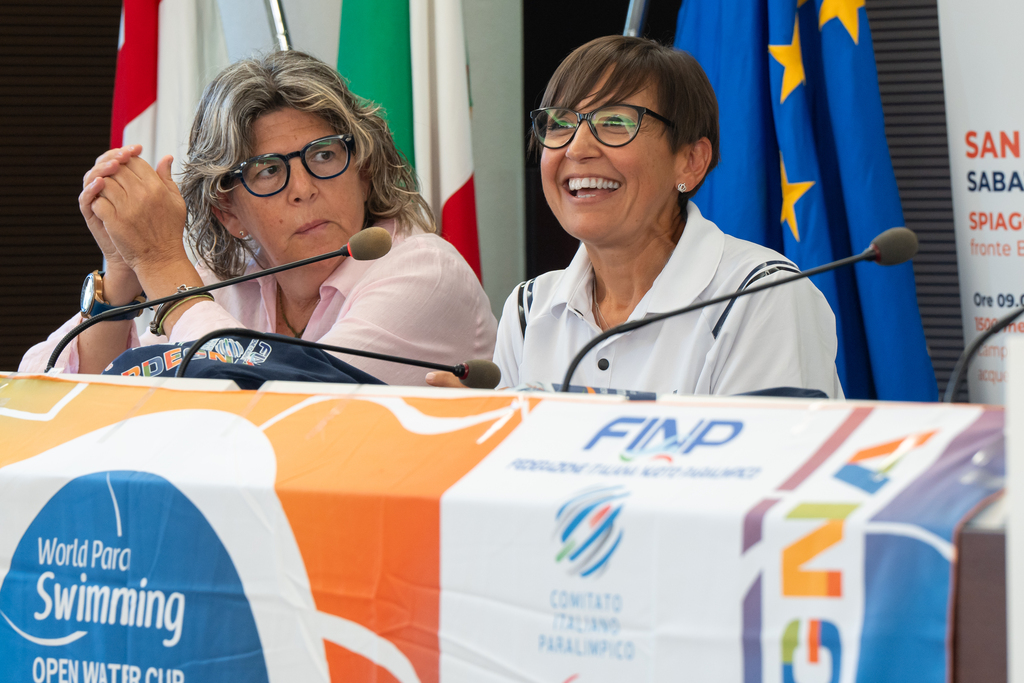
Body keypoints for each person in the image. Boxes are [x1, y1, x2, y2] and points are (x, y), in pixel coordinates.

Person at [20, 51, 496, 386]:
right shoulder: (228, 281)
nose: (304, 188)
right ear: (228, 212)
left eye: (324, 155)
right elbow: (43, 394)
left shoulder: (424, 272)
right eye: (268, 170)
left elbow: (290, 408)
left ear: (365, 170)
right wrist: (124, 270)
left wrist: (162, 263)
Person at [429, 35, 841, 397]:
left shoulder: (761, 296)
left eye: (614, 122)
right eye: (560, 123)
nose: (576, 149)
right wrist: (481, 430)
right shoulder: (530, 308)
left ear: (691, 161)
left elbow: (768, 462)